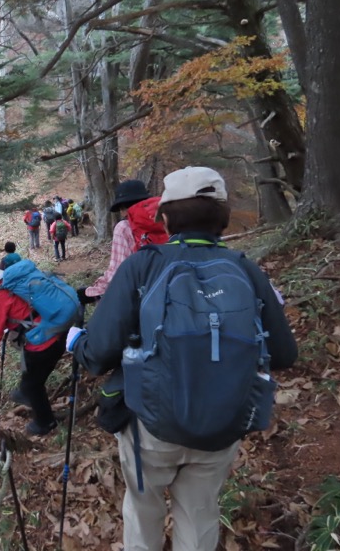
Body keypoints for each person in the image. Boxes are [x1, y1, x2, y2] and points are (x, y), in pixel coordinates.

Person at [67, 167, 298, 551]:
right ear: (223, 216)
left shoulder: (143, 265)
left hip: (152, 425)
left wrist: (77, 344)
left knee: (144, 511)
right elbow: (285, 353)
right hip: (223, 424)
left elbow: (100, 350)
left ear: (166, 216)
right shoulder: (245, 268)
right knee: (200, 513)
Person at [0, 259, 66, 436]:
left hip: (43, 342)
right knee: (30, 381)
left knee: (33, 385)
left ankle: (45, 422)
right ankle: (27, 395)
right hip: (58, 329)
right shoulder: (15, 283)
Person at [77, 180, 153, 305]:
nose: (121, 213)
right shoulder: (162, 222)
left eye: (121, 208)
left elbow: (119, 271)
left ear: (124, 207)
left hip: (139, 297)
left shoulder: (123, 227)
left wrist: (92, 292)